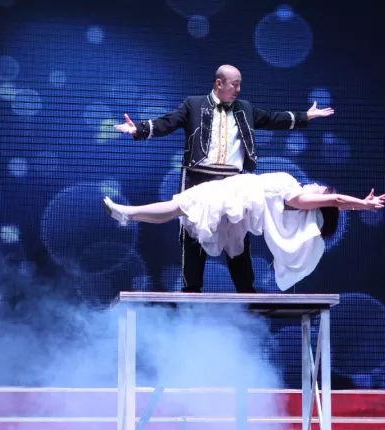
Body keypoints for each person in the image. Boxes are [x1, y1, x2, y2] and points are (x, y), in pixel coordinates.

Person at [114, 64, 335, 293]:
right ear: (219, 83)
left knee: (237, 236)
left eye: (240, 84)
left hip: (233, 181)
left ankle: (247, 291)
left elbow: (272, 118)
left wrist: (306, 116)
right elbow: (168, 122)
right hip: (199, 176)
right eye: (234, 84)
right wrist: (138, 129)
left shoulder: (245, 109)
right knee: (194, 231)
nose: (238, 89)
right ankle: (192, 290)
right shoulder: (194, 105)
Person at [103, 172, 385, 291]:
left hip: (232, 196)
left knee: (180, 205)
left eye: (321, 190)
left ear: (317, 201)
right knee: (191, 215)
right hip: (237, 199)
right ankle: (129, 214)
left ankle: (128, 213)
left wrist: (362, 204)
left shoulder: (297, 198)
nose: (316, 185)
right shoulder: (296, 194)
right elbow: (334, 204)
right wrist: (358, 205)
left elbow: (334, 201)